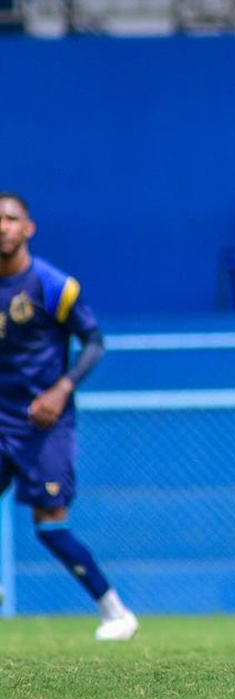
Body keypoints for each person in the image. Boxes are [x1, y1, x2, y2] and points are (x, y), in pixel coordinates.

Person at [0, 192, 138, 641]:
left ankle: (116, 613)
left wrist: (61, 390)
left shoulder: (53, 285)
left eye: (11, 218)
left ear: (28, 228)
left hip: (43, 424)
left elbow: (95, 342)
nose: (2, 225)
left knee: (50, 525)